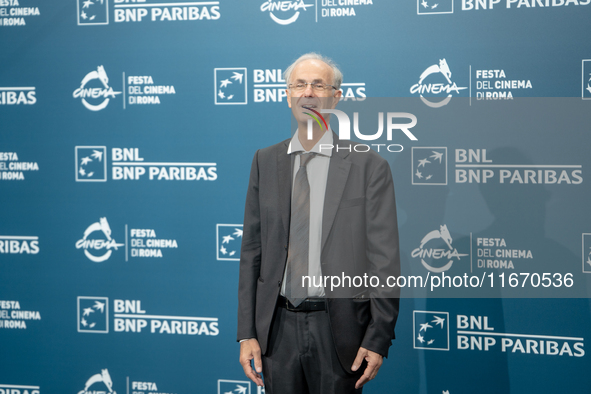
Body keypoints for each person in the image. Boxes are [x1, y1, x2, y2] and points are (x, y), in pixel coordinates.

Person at [237, 53, 400, 394]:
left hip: (339, 332)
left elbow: (385, 261)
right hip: (276, 333)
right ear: (287, 95)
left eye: (318, 85)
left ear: (335, 97)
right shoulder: (264, 161)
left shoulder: (368, 165)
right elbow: (252, 252)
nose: (307, 93)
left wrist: (379, 336)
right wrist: (247, 332)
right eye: (299, 84)